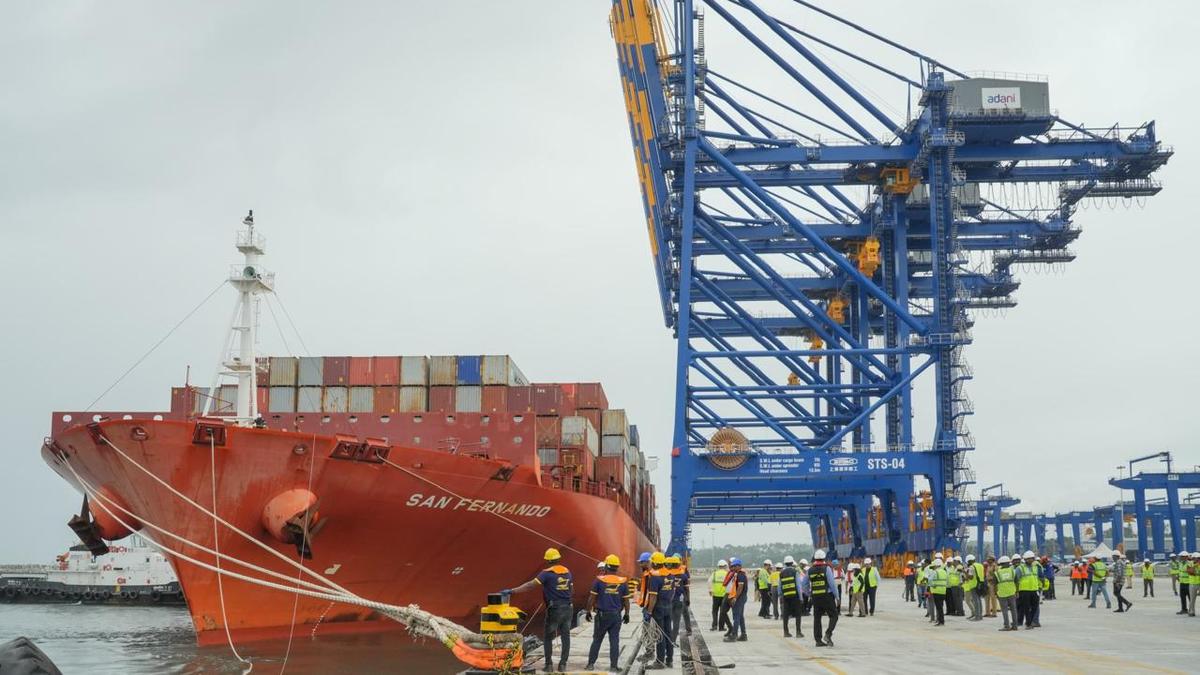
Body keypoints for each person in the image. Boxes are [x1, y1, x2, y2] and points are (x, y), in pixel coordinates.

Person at [503, 548, 573, 672]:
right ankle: (563, 665)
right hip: (567, 608)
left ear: (548, 561)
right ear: (558, 559)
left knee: (548, 637)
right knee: (565, 637)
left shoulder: (546, 573)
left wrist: (512, 591)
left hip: (554, 609)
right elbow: (572, 590)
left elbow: (531, 585)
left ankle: (549, 665)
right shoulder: (567, 572)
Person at [585, 554, 630, 672]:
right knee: (614, 641)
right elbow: (626, 600)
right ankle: (614, 666)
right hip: (616, 616)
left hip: (602, 616)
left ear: (607, 566)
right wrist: (627, 614)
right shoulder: (623, 581)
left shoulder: (599, 580)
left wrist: (588, 611)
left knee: (597, 640)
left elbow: (591, 598)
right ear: (617, 567)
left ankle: (590, 664)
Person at [642, 551, 675, 668]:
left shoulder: (655, 577)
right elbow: (673, 592)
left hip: (658, 608)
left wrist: (649, 612)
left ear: (655, 563)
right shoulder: (671, 575)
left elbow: (653, 596)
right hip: (668, 606)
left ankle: (660, 662)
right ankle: (670, 660)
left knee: (660, 635)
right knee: (668, 634)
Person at [803, 549, 840, 647]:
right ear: (824, 558)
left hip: (816, 597)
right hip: (827, 596)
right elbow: (832, 584)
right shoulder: (826, 568)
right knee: (834, 616)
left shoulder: (810, 570)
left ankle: (818, 640)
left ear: (815, 558)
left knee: (817, 618)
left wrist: (809, 594)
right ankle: (828, 634)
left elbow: (804, 584)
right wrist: (837, 597)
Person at [666, 554, 691, 642]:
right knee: (676, 621)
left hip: (669, 600)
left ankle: (668, 639)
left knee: (669, 621)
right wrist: (688, 599)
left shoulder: (667, 575)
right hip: (680, 600)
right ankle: (673, 640)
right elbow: (687, 589)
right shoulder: (683, 575)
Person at [1013, 551, 1041, 629]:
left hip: (1034, 590)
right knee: (1026, 608)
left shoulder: (1035, 567)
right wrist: (1016, 590)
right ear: (1025, 559)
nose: (1030, 560)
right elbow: (1015, 579)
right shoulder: (1020, 568)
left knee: (1035, 607)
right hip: (1024, 591)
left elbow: (1038, 577)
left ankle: (1031, 621)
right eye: (1028, 559)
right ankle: (1029, 624)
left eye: (1031, 559)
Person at [778, 555, 804, 638]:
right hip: (795, 596)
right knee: (798, 614)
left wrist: (781, 596)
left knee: (785, 615)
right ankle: (798, 632)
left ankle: (786, 632)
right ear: (792, 563)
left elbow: (779, 586)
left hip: (786, 596)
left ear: (785, 563)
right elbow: (798, 586)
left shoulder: (781, 573)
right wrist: (801, 597)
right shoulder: (795, 572)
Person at [724, 558, 749, 642]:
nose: (733, 568)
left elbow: (740, 588)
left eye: (734, 566)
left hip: (740, 598)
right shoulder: (737, 574)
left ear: (739, 566)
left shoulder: (740, 575)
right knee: (740, 616)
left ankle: (734, 635)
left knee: (736, 617)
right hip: (740, 597)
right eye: (732, 566)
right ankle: (743, 635)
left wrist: (735, 598)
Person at [993, 555, 1019, 631]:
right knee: (1013, 609)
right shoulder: (1013, 571)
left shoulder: (997, 573)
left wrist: (995, 593)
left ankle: (1007, 626)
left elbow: (995, 584)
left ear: (1000, 564)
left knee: (1004, 610)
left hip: (1002, 593)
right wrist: (1017, 591)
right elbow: (1017, 582)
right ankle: (1015, 625)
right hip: (1012, 592)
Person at [926, 557, 948, 626]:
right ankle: (941, 620)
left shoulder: (935, 572)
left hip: (936, 591)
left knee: (939, 607)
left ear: (936, 565)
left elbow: (929, 580)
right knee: (941, 606)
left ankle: (941, 621)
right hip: (943, 591)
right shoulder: (944, 572)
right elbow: (947, 581)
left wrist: (932, 585)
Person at [708, 559, 729, 632]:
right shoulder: (727, 573)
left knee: (714, 611)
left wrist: (710, 590)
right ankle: (721, 627)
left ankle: (714, 626)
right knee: (723, 611)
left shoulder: (714, 573)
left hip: (715, 595)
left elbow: (709, 581)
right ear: (725, 566)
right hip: (724, 595)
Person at [963, 553, 984, 621]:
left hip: (974, 585)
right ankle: (980, 615)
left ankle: (977, 617)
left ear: (969, 561)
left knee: (976, 601)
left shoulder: (972, 567)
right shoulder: (980, 565)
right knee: (979, 600)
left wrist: (965, 572)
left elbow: (971, 577)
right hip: (980, 584)